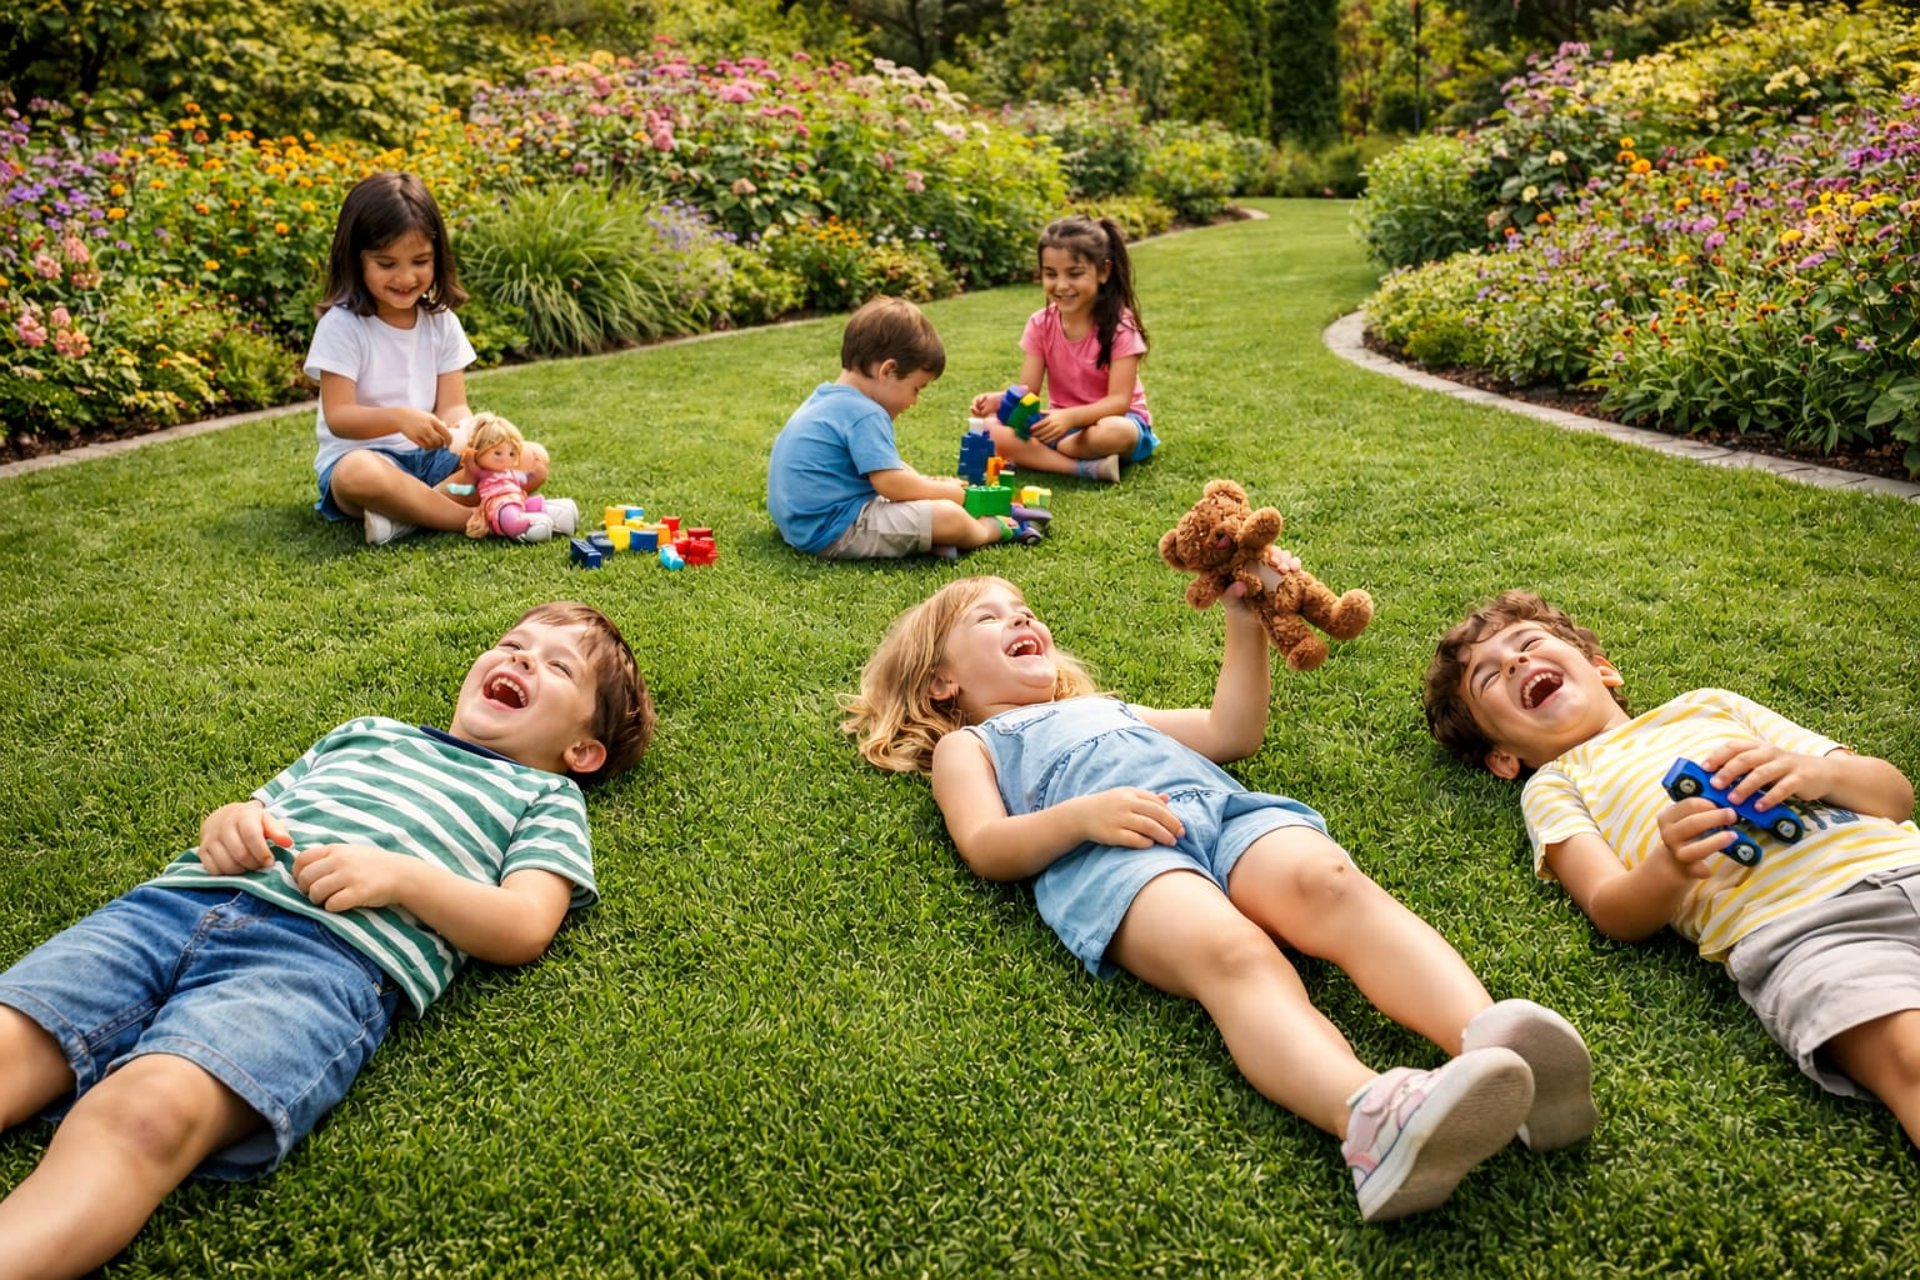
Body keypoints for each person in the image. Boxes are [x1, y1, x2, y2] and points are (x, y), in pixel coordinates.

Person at [844, 575, 1596, 1222]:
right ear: (942, 682)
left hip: (1222, 814)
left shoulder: (1107, 708)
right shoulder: (968, 746)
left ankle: (1492, 1043)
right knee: (1236, 955)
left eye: (1027, 611)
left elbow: (1230, 732)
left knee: (1332, 885)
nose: (1024, 620)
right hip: (1112, 857)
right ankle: (1371, 1116)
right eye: (992, 617)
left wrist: (1245, 621)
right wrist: (1080, 817)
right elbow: (984, 844)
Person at [0, 602, 654, 1275]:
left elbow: (525, 925)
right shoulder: (367, 731)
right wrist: (228, 822)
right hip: (164, 910)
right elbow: (255, 809)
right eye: (514, 643)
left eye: (556, 665)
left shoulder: (543, 796)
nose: (520, 658)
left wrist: (404, 879)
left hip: (318, 965)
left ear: (582, 750)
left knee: (149, 1113)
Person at [1424, 589, 1920, 1142]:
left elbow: (1895, 795)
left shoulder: (1709, 705)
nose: (1515, 662)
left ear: (1601, 669)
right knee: (1910, 1059)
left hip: (1905, 863)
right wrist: (1670, 864)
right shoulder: (1555, 784)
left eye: (1529, 643)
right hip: (1802, 934)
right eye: (1489, 678)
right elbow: (1611, 908)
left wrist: (1813, 772)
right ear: (1501, 756)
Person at [305, 171, 574, 546]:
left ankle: (406, 519)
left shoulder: (440, 321)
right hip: (365, 461)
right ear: (356, 260)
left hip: (433, 463)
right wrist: (399, 419)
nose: (406, 277)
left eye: (420, 261)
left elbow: (453, 407)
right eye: (387, 264)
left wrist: (471, 434)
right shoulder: (343, 326)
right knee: (359, 475)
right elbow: (340, 417)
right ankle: (474, 518)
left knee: (532, 460)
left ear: (438, 257)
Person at [768, 296, 1044, 561]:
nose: (915, 401)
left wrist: (933, 483)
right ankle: (991, 529)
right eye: (916, 388)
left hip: (800, 524)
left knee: (923, 496)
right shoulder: (866, 413)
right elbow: (892, 485)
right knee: (948, 515)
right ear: (887, 371)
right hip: (834, 529)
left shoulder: (828, 399)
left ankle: (930, 541)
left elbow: (889, 468)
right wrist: (962, 495)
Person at [968, 215, 1161, 485]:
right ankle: (1084, 468)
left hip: (1114, 420)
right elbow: (1028, 392)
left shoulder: (1120, 326)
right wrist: (1000, 400)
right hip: (1060, 423)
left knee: (1116, 432)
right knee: (989, 429)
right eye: (1050, 274)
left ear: (1104, 271)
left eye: (1074, 273)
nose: (1061, 285)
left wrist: (1069, 417)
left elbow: (1118, 402)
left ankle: (1059, 453)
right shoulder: (1040, 324)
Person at [458, 412, 566, 543]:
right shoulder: (482, 473)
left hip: (516, 500)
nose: (505, 458)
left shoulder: (510, 473)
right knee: (509, 514)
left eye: (512, 453)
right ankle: (523, 526)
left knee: (529, 504)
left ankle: (555, 513)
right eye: (498, 453)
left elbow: (525, 478)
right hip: (498, 507)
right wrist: (469, 463)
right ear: (478, 451)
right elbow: (467, 484)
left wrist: (535, 473)